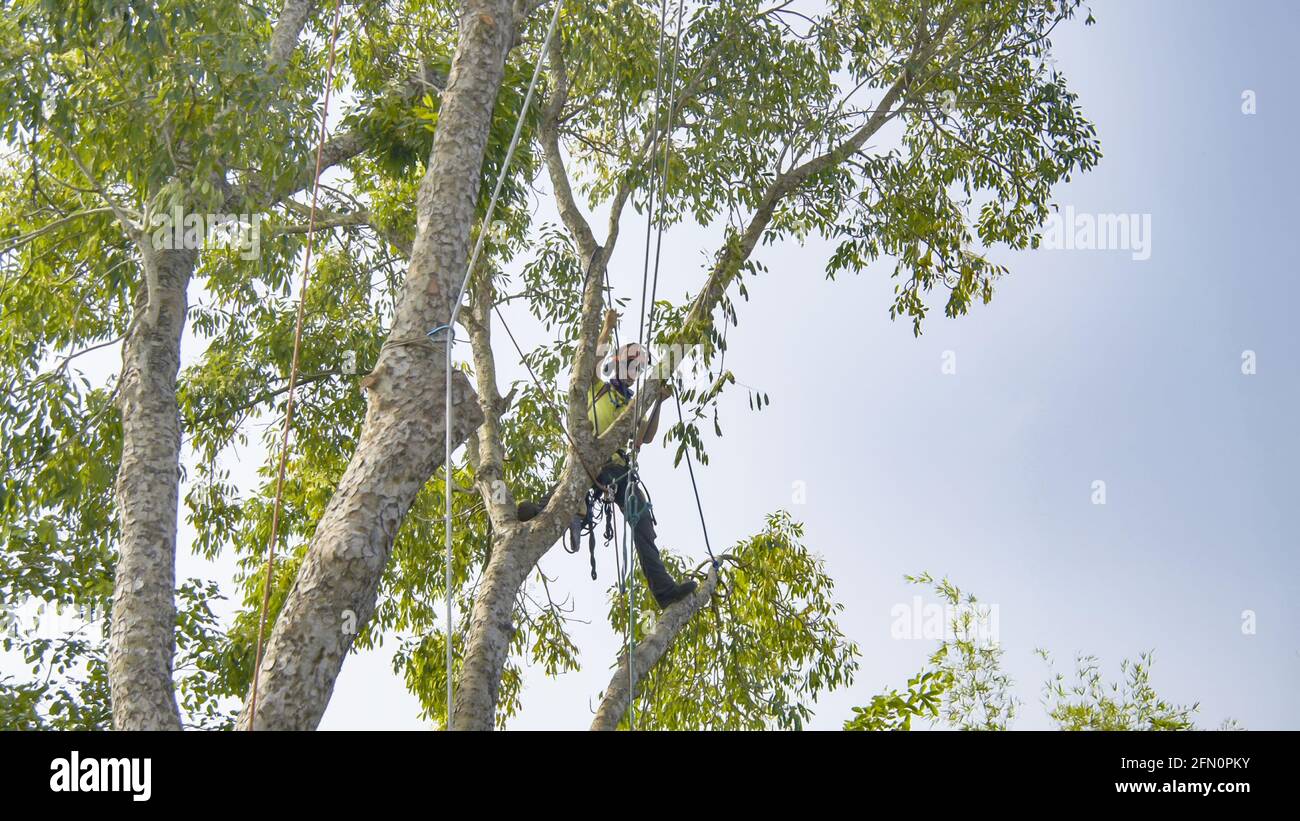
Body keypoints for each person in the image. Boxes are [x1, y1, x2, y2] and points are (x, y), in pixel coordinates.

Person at [517, 312, 698, 609]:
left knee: (642, 524)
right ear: (617, 361)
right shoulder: (596, 386)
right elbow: (592, 359)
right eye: (631, 361)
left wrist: (658, 406)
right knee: (570, 487)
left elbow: (644, 438)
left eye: (639, 367)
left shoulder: (630, 404)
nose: (634, 368)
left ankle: (663, 590)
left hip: (616, 468)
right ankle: (543, 510)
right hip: (586, 455)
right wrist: (606, 328)